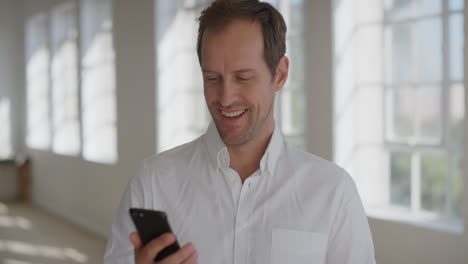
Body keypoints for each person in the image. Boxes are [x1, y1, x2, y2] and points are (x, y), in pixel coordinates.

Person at [103, 0, 376, 263]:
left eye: (243, 78)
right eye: (212, 78)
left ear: (279, 74)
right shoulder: (152, 183)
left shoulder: (333, 192)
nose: (225, 97)